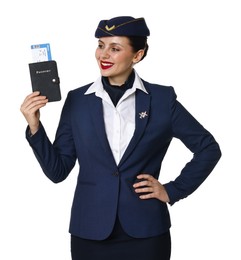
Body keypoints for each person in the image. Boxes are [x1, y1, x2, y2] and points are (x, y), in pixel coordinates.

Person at [20, 16, 221, 260]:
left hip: (146, 233)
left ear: (137, 55)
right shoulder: (77, 101)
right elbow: (58, 171)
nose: (103, 55)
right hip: (90, 232)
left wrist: (173, 190)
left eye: (115, 48)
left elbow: (208, 148)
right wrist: (35, 126)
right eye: (101, 45)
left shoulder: (161, 99)